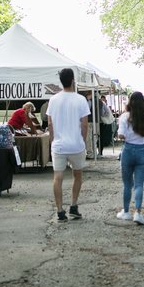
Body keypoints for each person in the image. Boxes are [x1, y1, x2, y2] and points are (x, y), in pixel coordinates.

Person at [48, 68, 89, 222]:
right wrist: (83, 141)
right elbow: (85, 124)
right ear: (73, 80)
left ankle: (60, 211)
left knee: (57, 177)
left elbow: (50, 123)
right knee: (77, 175)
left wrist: (53, 140)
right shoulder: (81, 100)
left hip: (59, 145)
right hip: (76, 144)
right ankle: (73, 205)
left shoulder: (53, 99)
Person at [116, 91, 144, 225]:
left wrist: (125, 135)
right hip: (142, 151)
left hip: (128, 150)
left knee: (127, 184)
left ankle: (125, 212)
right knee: (139, 185)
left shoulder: (125, 117)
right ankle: (137, 212)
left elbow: (120, 134)